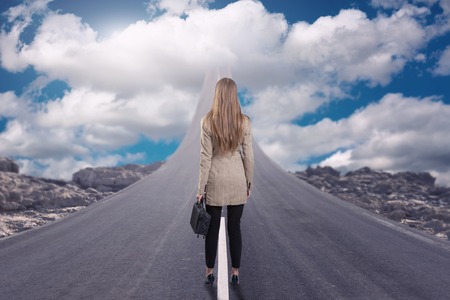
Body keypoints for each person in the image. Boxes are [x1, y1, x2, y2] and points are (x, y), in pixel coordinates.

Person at [196, 77, 254, 288]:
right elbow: (248, 155)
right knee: (234, 227)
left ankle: (209, 272)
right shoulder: (244, 121)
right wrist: (248, 182)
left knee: (212, 230)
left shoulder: (207, 121)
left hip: (215, 179)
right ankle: (235, 272)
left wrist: (201, 188)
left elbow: (205, 158)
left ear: (217, 95)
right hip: (237, 178)